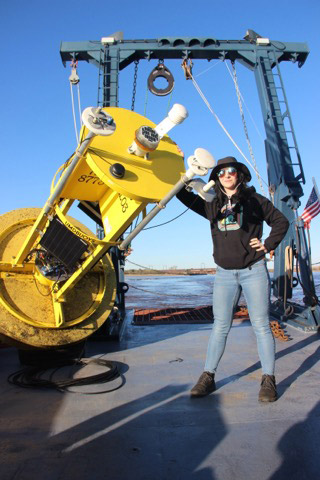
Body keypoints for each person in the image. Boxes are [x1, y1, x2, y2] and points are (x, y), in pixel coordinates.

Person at [176, 156, 289, 402]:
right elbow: (181, 195)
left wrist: (267, 245)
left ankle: (268, 379)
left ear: (239, 175)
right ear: (216, 177)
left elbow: (281, 221)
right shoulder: (211, 204)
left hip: (254, 270)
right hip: (224, 274)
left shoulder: (255, 200)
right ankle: (208, 376)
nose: (227, 175)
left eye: (231, 171)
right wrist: (182, 169)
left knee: (260, 325)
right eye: (222, 172)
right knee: (220, 326)